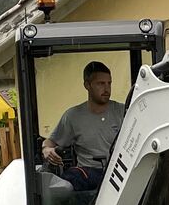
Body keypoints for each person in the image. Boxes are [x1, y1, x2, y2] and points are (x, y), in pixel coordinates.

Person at [43, 60, 125, 191]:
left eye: (109, 83)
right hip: (90, 174)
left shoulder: (123, 111)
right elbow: (50, 142)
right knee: (71, 179)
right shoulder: (73, 116)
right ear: (87, 85)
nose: (107, 88)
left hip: (121, 173)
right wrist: (47, 150)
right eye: (101, 84)